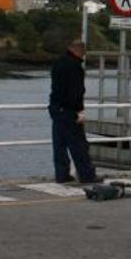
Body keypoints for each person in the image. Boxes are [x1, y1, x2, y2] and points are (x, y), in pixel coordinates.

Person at [49, 40, 100, 184]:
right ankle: (87, 175)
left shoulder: (58, 63)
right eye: (84, 52)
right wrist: (79, 111)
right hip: (69, 110)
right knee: (78, 145)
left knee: (59, 145)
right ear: (79, 50)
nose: (84, 55)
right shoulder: (75, 67)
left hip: (56, 108)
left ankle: (62, 175)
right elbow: (76, 91)